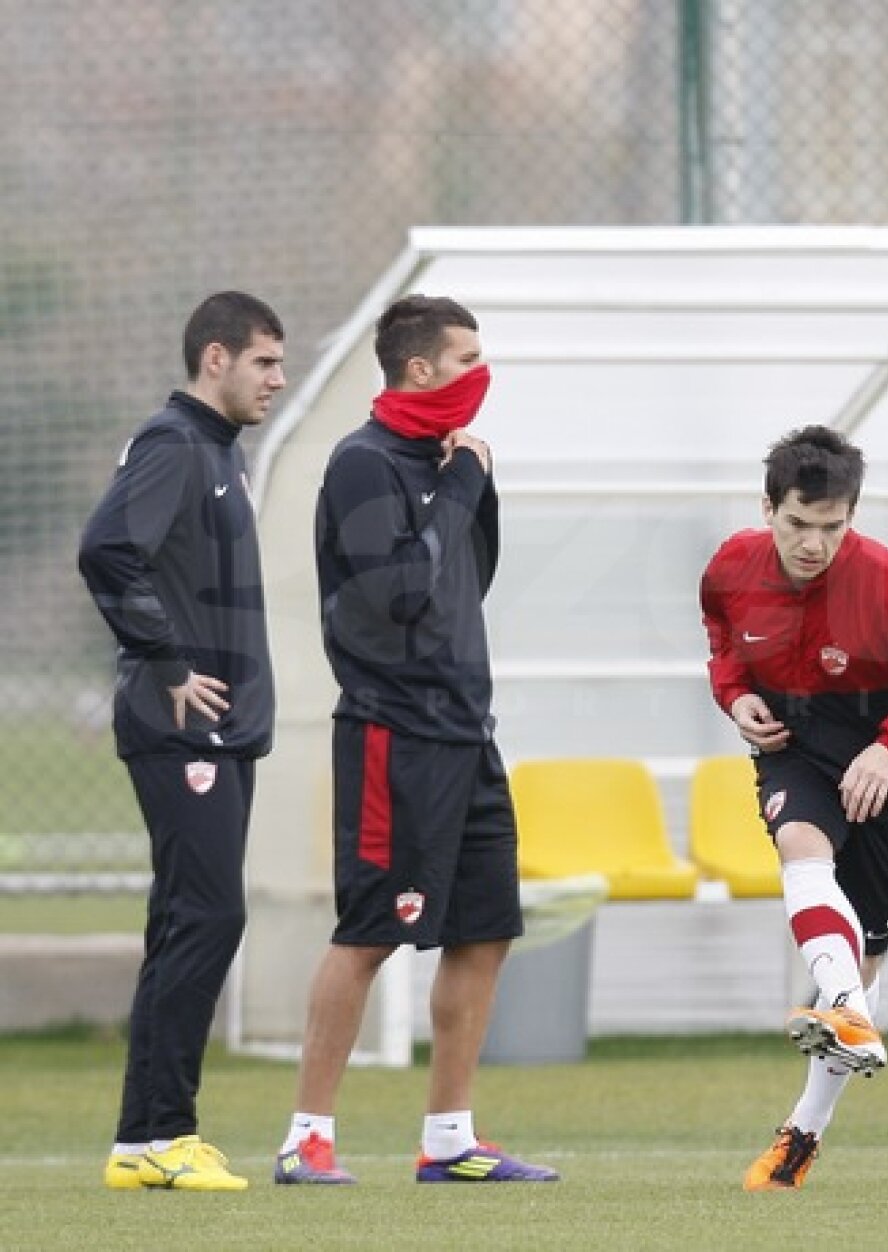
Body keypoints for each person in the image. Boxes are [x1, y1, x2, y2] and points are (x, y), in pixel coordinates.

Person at [274, 294, 557, 1186]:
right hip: (393, 736)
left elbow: (466, 580)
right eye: (468, 357)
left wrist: (469, 482)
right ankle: (307, 1139)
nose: (484, 373)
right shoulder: (362, 464)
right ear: (420, 368)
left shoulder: (448, 461)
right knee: (370, 935)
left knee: (485, 932)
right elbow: (401, 594)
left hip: (467, 734)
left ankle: (450, 1141)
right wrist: (462, 482)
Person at [699, 425, 888, 1191]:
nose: (813, 544)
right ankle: (842, 1003)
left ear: (853, 517)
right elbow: (724, 640)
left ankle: (803, 1132)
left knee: (866, 948)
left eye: (832, 528)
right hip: (798, 745)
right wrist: (735, 695)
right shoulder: (732, 566)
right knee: (800, 841)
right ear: (767, 506)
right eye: (798, 524)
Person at [79, 292, 287, 1191]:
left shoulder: (217, 454)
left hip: (220, 726)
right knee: (210, 915)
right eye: (265, 362)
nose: (279, 380)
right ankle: (166, 1135)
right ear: (216, 358)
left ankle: (142, 1143)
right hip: (182, 726)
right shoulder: (174, 445)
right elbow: (105, 551)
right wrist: (166, 663)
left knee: (184, 919)